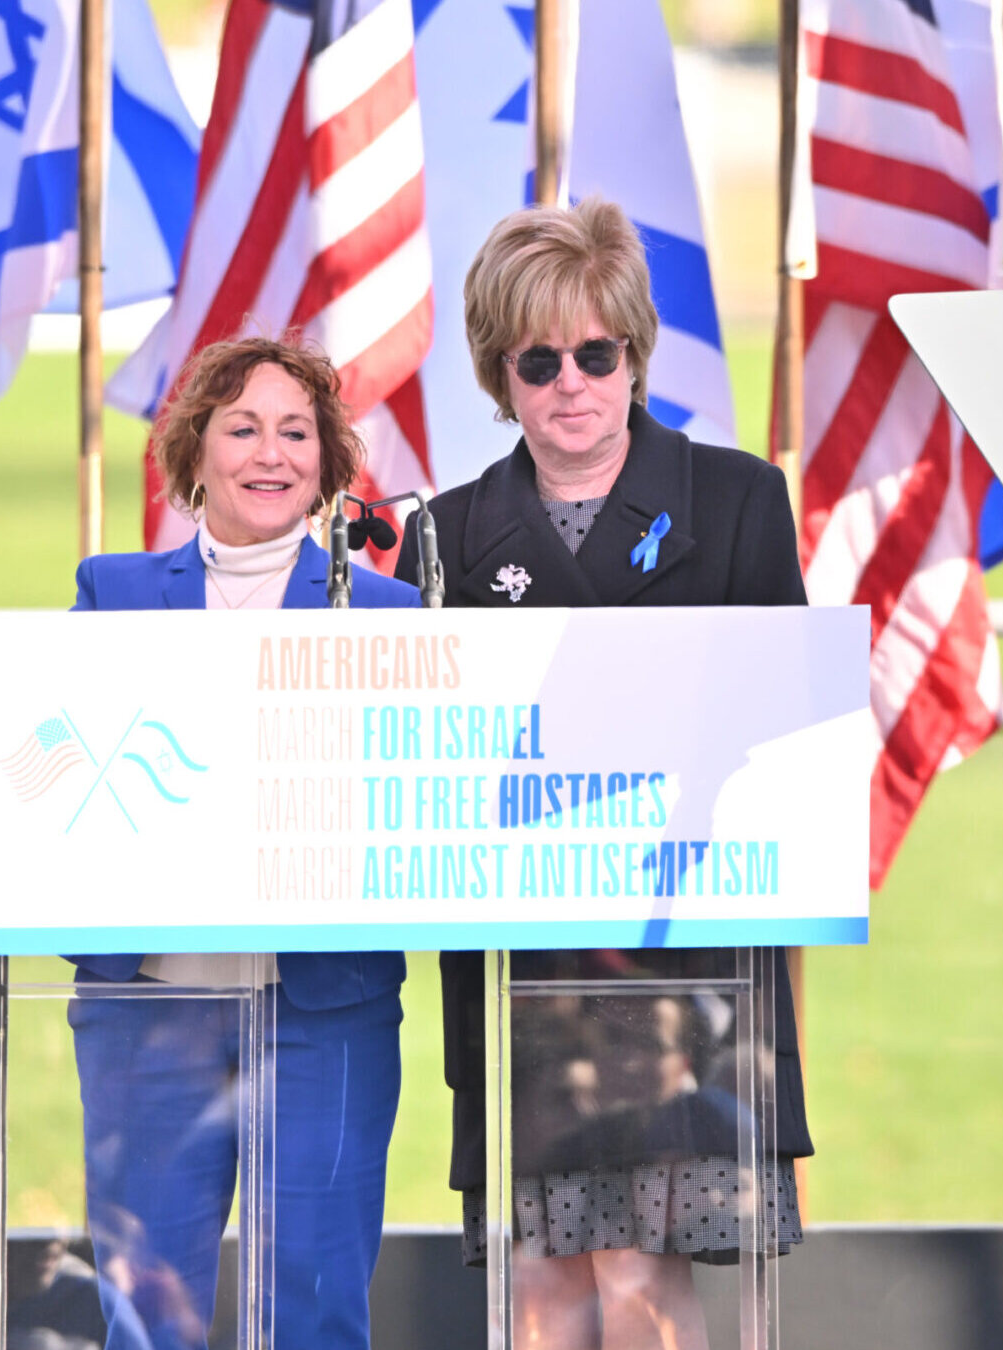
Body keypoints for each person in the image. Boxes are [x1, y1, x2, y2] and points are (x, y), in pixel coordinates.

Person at [394, 199, 814, 1349]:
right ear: (499, 373)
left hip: (679, 956)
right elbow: (428, 761)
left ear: (633, 354)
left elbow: (783, 731)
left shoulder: (735, 501)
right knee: (540, 1291)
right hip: (519, 964)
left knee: (637, 1283)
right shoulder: (439, 533)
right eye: (539, 361)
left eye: (597, 353)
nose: (571, 383)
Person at [66, 336, 419, 1350]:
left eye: (297, 432)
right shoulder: (115, 594)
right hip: (153, 1012)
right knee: (148, 1316)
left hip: (324, 1012)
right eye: (244, 428)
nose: (272, 454)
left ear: (327, 460)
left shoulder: (387, 612)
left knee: (315, 1311)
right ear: (197, 451)